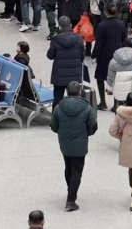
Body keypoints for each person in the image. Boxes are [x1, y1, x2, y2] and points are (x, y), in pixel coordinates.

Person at [49, 80, 98, 212]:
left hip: (65, 144)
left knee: (68, 167)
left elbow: (53, 126)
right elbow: (93, 126)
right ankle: (71, 200)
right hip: (80, 145)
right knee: (77, 171)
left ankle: (70, 189)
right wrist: (86, 134)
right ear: (79, 92)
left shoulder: (59, 107)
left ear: (67, 91)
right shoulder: (87, 108)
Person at [47, 16, 86, 107]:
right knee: (74, 100)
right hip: (74, 75)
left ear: (59, 26)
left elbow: (50, 56)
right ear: (71, 25)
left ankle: (56, 118)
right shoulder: (79, 39)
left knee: (57, 99)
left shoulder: (55, 39)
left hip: (59, 76)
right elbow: (82, 57)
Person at [92, 5, 126, 111]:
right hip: (117, 54)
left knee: (100, 77)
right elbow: (124, 38)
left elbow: (99, 43)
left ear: (106, 12)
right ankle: (116, 103)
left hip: (104, 55)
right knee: (116, 78)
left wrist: (94, 55)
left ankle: (103, 101)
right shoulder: (121, 24)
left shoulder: (102, 25)